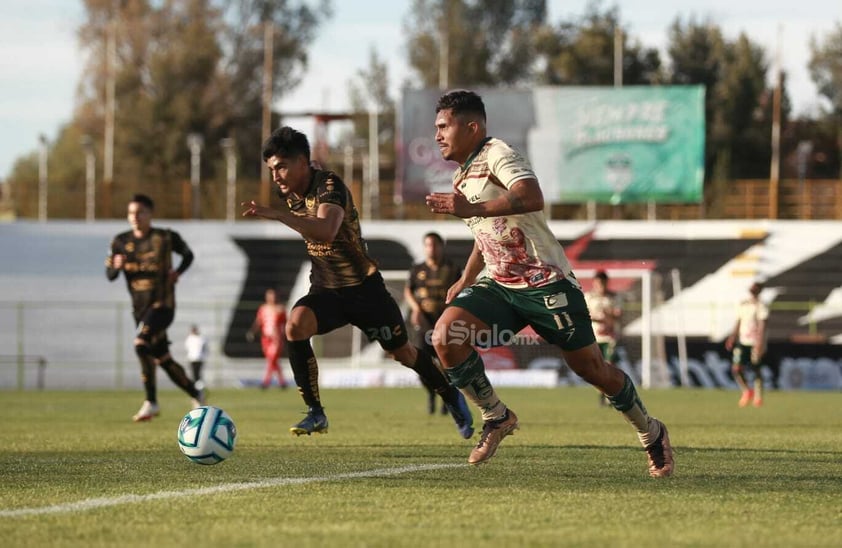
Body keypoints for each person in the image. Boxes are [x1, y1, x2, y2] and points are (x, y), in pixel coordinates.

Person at [425, 90, 674, 477]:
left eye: (444, 126)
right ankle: (496, 415)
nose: (437, 135)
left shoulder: (499, 154)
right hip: (499, 285)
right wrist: (466, 277)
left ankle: (651, 432)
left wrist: (471, 208)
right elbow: (485, 230)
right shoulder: (461, 174)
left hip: (547, 283)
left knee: (592, 369)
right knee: (445, 336)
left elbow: (531, 195)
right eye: (436, 127)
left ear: (472, 127)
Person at [241, 126, 473, 438]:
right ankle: (315, 412)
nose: (276, 176)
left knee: (403, 353)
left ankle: (449, 394)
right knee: (295, 325)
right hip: (326, 289)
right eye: (271, 170)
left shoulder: (329, 185)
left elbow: (325, 230)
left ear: (301, 162)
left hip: (365, 291)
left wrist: (278, 215)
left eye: (281, 166)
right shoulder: (293, 195)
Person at [105, 193, 205, 422]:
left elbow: (188, 255)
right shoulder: (120, 241)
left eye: (140, 212)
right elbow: (110, 275)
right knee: (163, 358)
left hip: (163, 306)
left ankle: (151, 402)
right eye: (131, 213)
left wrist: (177, 272)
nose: (135, 217)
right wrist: (116, 266)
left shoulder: (166, 237)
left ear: (150, 214)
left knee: (141, 344)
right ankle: (196, 392)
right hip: (139, 309)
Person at [404, 232, 462, 415]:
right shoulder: (417, 269)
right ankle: (432, 393)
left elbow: (462, 290)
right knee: (421, 363)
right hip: (423, 323)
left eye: (435, 245)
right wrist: (416, 309)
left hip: (444, 324)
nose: (431, 249)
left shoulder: (452, 269)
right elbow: (408, 291)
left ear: (441, 246)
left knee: (447, 364)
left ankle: (448, 398)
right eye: (428, 245)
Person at [725, 281, 768, 407]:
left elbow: (762, 325)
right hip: (742, 341)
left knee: (756, 368)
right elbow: (738, 321)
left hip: (755, 342)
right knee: (736, 368)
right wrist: (733, 336)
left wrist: (760, 342)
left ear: (759, 290)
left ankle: (758, 396)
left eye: (754, 287)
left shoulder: (761, 306)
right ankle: (746, 391)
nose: (752, 289)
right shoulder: (744, 304)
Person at [584, 270, 623, 406]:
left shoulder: (613, 297)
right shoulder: (589, 297)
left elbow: (618, 314)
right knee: (596, 369)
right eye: (598, 283)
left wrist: (609, 316)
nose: (601, 286)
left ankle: (611, 396)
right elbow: (584, 315)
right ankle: (603, 394)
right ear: (594, 283)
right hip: (593, 337)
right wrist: (598, 318)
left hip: (610, 337)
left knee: (609, 366)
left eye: (603, 283)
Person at [249, 288, 288, 389]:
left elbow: (285, 324)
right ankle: (282, 382)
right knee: (272, 360)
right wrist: (253, 331)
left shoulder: (280, 309)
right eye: (270, 295)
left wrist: (283, 337)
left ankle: (265, 382)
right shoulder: (263, 309)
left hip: (276, 338)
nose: (272, 298)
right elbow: (258, 322)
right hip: (265, 338)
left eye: (273, 295)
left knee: (272, 359)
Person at [184, 324, 209, 389]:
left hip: (200, 359)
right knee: (195, 375)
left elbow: (205, 348)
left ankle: (199, 388)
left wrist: (204, 356)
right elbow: (187, 348)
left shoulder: (201, 338)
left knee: (198, 374)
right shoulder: (189, 338)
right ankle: (197, 388)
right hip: (192, 358)